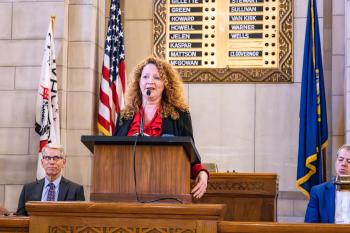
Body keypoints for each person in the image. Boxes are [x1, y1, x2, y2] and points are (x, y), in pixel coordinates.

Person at [114, 56, 208, 199]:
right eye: (145, 76)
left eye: (157, 78)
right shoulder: (124, 117)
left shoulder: (179, 115)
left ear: (165, 84)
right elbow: (112, 152)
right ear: (139, 82)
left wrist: (202, 173)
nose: (150, 81)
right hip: (126, 189)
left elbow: (190, 156)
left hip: (166, 189)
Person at [16, 144, 85, 216]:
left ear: (63, 162)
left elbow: (80, 220)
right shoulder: (28, 189)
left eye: (56, 158)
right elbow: (21, 217)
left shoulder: (75, 190)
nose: (51, 162)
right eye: (47, 158)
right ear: (42, 163)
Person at [305, 144, 350, 223]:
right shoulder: (318, 192)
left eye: (349, 161)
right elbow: (310, 225)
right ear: (335, 162)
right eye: (340, 159)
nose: (343, 164)